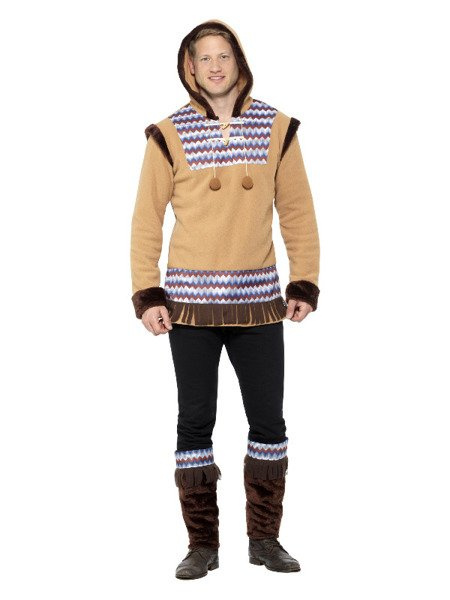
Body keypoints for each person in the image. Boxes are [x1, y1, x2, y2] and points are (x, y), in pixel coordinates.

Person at [130, 19, 320, 579]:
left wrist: (303, 280)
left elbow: (298, 211)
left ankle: (265, 539)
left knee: (269, 423)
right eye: (204, 58)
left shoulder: (278, 128)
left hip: (259, 303)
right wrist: (147, 293)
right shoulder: (167, 134)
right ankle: (202, 545)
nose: (215, 66)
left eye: (224, 55)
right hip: (189, 307)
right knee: (194, 424)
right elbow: (146, 220)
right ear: (189, 67)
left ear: (239, 61)